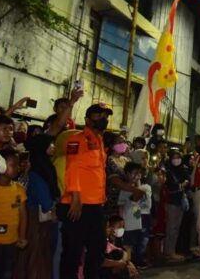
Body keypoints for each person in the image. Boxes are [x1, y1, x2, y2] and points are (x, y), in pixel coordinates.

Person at [58, 103, 113, 279]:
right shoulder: (78, 139)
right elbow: (72, 167)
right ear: (87, 119)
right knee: (72, 252)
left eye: (105, 115)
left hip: (96, 205)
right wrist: (75, 196)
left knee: (97, 250)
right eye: (98, 115)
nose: (103, 118)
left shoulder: (100, 141)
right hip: (79, 204)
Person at [14, 134, 59, 279]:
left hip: (35, 216)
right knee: (37, 254)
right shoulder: (38, 171)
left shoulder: (39, 166)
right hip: (36, 219)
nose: (53, 147)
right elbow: (46, 201)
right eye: (50, 144)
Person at [0, 148, 27, 279]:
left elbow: (23, 215)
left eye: (18, 165)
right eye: (13, 165)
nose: (17, 168)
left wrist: (22, 237)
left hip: (11, 241)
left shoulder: (19, 189)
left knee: (8, 272)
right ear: (2, 166)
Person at [118, 162, 151, 269]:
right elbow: (121, 206)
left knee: (132, 246)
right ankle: (127, 268)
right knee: (127, 247)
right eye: (135, 173)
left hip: (137, 223)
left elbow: (144, 205)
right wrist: (121, 222)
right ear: (127, 174)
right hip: (127, 224)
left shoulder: (140, 188)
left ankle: (130, 267)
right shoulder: (125, 189)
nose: (137, 176)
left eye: (139, 174)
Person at [163, 149, 189, 261]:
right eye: (174, 157)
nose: (176, 160)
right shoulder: (168, 171)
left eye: (178, 157)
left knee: (176, 227)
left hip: (180, 202)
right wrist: (180, 185)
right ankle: (169, 252)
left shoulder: (183, 170)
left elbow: (187, 182)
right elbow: (170, 186)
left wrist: (185, 183)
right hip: (172, 202)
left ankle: (170, 251)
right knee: (171, 227)